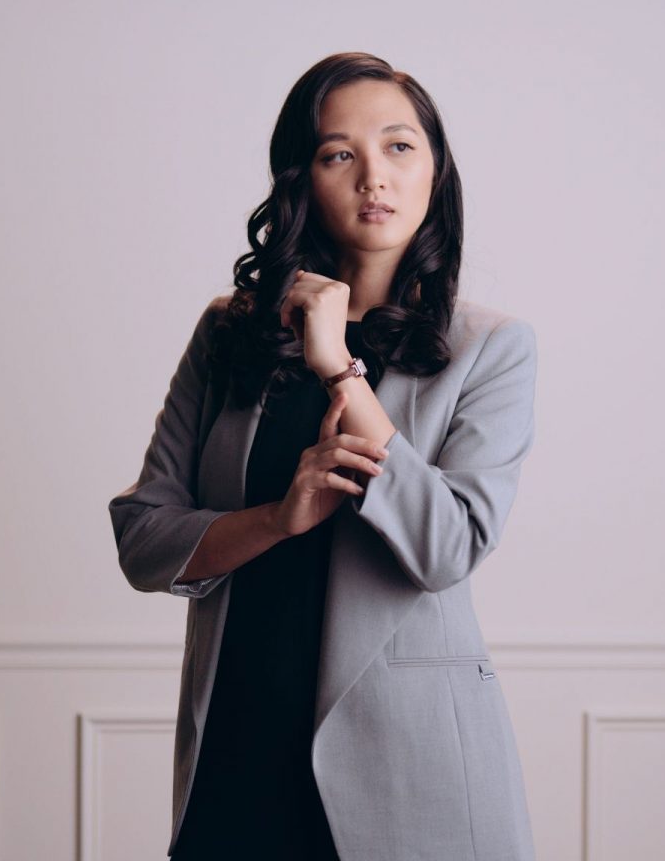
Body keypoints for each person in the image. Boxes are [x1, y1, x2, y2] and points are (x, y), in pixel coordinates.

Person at [108, 52, 538, 861]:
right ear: (302, 179)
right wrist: (276, 519)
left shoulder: (492, 348)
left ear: (436, 170)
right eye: (340, 153)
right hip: (238, 745)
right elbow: (142, 538)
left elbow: (448, 547)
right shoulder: (230, 332)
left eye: (400, 147)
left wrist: (339, 365)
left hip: (413, 771)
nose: (374, 175)